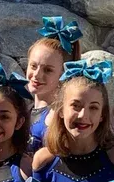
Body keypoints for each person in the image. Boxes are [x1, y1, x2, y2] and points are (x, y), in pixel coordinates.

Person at [26, 17, 82, 152]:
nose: (37, 75)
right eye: (33, 66)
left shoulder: (59, 116)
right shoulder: (23, 109)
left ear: (63, 74)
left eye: (48, 70)